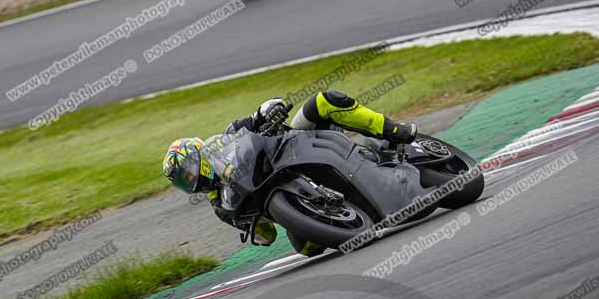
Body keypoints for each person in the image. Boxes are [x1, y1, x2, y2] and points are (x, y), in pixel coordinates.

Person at [163, 90, 417, 255]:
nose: (191, 181)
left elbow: (258, 115)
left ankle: (392, 130)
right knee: (307, 247)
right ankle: (342, 212)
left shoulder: (226, 139)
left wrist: (267, 111)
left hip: (298, 144)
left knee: (323, 101)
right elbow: (268, 234)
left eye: (188, 173)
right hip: (293, 199)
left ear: (199, 156)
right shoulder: (220, 205)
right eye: (184, 182)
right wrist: (255, 229)